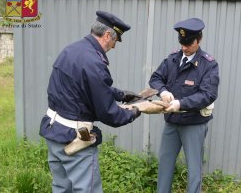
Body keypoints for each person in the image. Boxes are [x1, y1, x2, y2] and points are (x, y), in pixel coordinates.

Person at [39, 11, 142, 192]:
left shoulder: (72, 50)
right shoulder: (95, 62)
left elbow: (82, 87)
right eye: (115, 40)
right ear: (108, 35)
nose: (114, 46)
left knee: (61, 188)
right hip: (76, 139)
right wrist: (134, 111)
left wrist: (121, 95)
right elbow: (109, 113)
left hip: (54, 131)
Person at [149, 18, 220, 193]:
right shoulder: (173, 58)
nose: (184, 47)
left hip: (194, 124)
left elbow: (208, 95)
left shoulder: (209, 65)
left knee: (194, 169)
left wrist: (180, 103)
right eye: (182, 43)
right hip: (172, 122)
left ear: (199, 40)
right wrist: (163, 91)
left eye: (189, 43)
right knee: (165, 164)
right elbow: (155, 78)